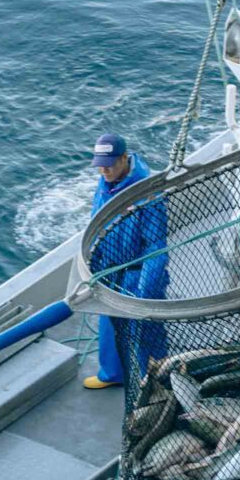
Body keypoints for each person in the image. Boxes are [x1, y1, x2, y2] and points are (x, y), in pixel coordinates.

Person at [83, 133, 170, 389]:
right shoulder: (104, 181)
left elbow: (156, 245)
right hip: (109, 270)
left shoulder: (147, 192)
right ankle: (112, 374)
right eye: (100, 163)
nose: (104, 169)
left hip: (137, 272)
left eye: (109, 163)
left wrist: (146, 290)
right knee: (109, 325)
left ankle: (157, 380)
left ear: (124, 158)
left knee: (147, 331)